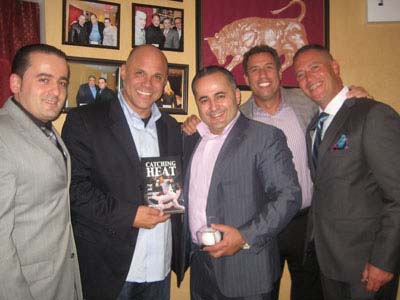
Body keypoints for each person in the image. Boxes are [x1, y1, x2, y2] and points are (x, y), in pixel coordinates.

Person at [182, 45, 371, 300]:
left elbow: (333, 102)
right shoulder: (204, 133)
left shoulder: (304, 103)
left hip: (304, 221)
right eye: (203, 99)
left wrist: (353, 97)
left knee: (309, 290)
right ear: (246, 80)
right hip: (211, 263)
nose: (213, 105)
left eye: (269, 67)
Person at [62, 45, 186, 300]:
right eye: (140, 73)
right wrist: (130, 215)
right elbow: (73, 189)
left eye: (157, 77)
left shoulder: (171, 128)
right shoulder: (84, 120)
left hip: (159, 268)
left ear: (164, 84)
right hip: (110, 271)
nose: (148, 84)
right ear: (124, 72)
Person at [183, 65, 301, 300]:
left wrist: (245, 236)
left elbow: (289, 195)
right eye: (204, 100)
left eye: (220, 96)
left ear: (237, 95)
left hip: (246, 270)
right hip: (201, 269)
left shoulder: (265, 137)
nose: (213, 107)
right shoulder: (193, 139)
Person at [293, 44, 400, 300]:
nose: (308, 78)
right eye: (300, 75)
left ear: (335, 67)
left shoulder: (372, 114)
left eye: (314, 67)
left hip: (366, 264)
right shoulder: (314, 126)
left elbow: (397, 194)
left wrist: (384, 260)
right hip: (329, 261)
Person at [0, 43, 83, 299]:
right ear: (15, 83)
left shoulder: (43, 127)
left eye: (61, 82)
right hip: (28, 287)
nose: (56, 91)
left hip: (60, 277)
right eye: (44, 80)